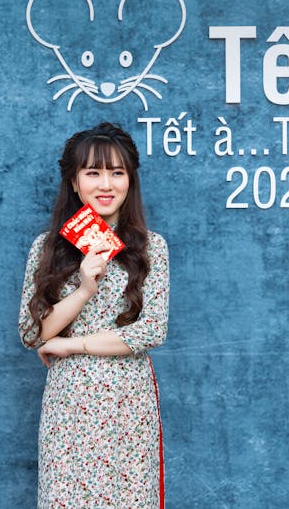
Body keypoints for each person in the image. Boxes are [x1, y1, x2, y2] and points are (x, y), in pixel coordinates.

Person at [18, 122, 169, 508]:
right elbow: (33, 333)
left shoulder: (152, 248)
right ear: (73, 182)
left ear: (130, 181)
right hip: (69, 403)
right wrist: (85, 289)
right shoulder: (47, 248)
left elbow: (150, 330)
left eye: (117, 173)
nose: (106, 184)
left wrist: (71, 344)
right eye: (93, 173)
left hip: (128, 402)